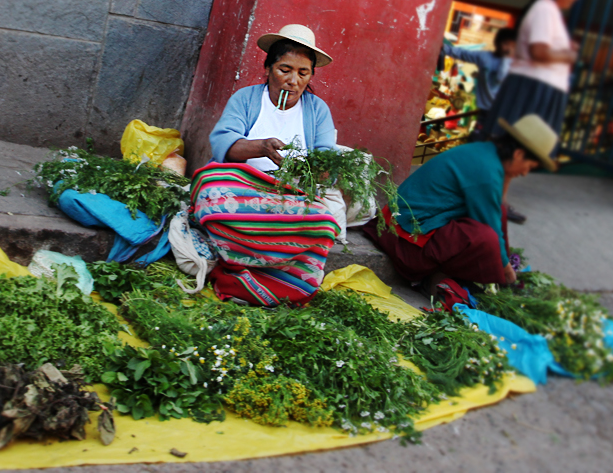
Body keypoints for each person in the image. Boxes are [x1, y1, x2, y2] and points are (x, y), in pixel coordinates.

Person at [192, 24, 339, 307]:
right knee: (210, 189)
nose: (293, 81)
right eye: (285, 69)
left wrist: (313, 168)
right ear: (269, 67)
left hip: (287, 196)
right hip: (242, 187)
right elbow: (223, 145)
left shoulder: (317, 110)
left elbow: (326, 165)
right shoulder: (247, 99)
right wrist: (261, 147)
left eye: (303, 73)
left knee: (323, 219)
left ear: (310, 76)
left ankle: (259, 272)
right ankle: (247, 262)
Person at [362, 114, 558, 299]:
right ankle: (436, 278)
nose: (525, 173)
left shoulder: (486, 153)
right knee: (485, 238)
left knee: (499, 216)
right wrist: (508, 274)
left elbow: (498, 206)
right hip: (404, 243)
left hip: (404, 227)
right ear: (518, 153)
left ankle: (445, 277)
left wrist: (504, 264)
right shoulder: (487, 172)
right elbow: (490, 225)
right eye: (529, 167)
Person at [480, 0, 584, 141]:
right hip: (535, 87)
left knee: (521, 147)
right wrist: (569, 56)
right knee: (518, 146)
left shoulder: (549, 11)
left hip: (538, 85)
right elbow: (538, 51)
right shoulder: (544, 10)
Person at [441, 28, 517, 114]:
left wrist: (506, 59)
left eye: (513, 46)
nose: (509, 49)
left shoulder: (515, 65)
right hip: (485, 110)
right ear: (497, 42)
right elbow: (463, 53)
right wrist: (444, 47)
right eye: (506, 44)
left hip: (503, 111)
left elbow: (501, 78)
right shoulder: (485, 57)